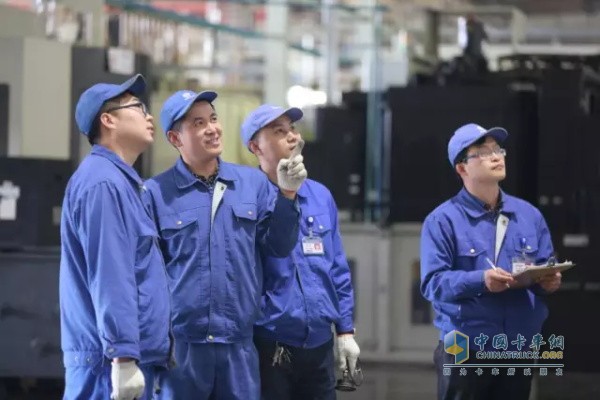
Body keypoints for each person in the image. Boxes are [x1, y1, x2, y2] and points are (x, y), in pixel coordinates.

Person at [142, 90, 306, 400]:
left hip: (238, 346)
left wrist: (286, 196)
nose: (212, 128)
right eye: (198, 123)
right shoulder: (156, 193)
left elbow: (279, 247)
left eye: (214, 119)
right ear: (176, 139)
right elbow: (147, 276)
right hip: (182, 348)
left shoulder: (251, 184)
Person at [420, 123, 562, 400]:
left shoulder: (528, 215)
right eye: (484, 153)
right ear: (462, 168)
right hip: (465, 346)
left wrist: (549, 281)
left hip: (517, 347)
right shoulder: (443, 220)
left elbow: (545, 265)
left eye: (498, 150)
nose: (497, 157)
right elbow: (433, 284)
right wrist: (481, 280)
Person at [59, 74, 172, 400]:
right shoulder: (104, 184)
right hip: (107, 365)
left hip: (121, 358)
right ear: (108, 120)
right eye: (139, 107)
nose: (149, 117)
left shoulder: (122, 183)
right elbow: (111, 274)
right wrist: (122, 356)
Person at [241, 104, 360, 400]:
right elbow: (273, 249)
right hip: (272, 345)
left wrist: (345, 331)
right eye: (279, 132)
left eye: (292, 129)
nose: (292, 137)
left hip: (319, 343)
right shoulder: (247, 198)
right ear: (256, 146)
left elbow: (337, 268)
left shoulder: (320, 194)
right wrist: (286, 195)